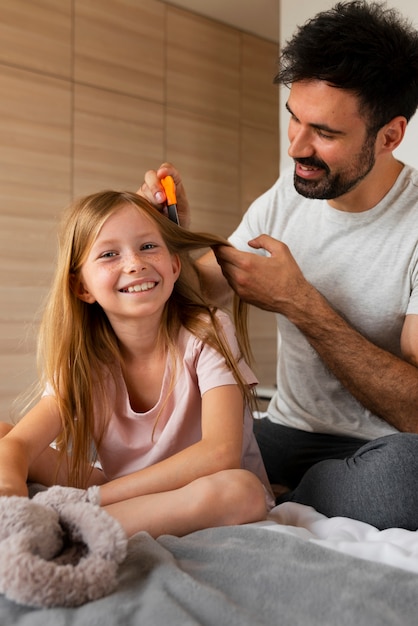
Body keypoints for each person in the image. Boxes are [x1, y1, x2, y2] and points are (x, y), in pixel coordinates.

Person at [139, 1, 418, 530]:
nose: (297, 147)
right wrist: (168, 237)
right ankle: (271, 486)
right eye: (294, 118)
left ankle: (278, 493)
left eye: (325, 133)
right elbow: (203, 288)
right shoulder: (288, 198)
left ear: (389, 136)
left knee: (410, 478)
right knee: (172, 440)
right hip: (284, 432)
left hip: (380, 450)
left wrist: (299, 303)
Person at [0, 190, 274, 539]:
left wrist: (96, 498)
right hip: (122, 487)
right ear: (81, 286)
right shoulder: (83, 357)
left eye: (148, 247)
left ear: (175, 266)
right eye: (109, 254)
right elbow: (18, 444)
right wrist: (9, 498)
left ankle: (78, 527)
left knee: (242, 492)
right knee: (4, 436)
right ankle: (97, 517)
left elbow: (220, 454)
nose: (134, 264)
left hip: (192, 487)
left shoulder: (208, 330)